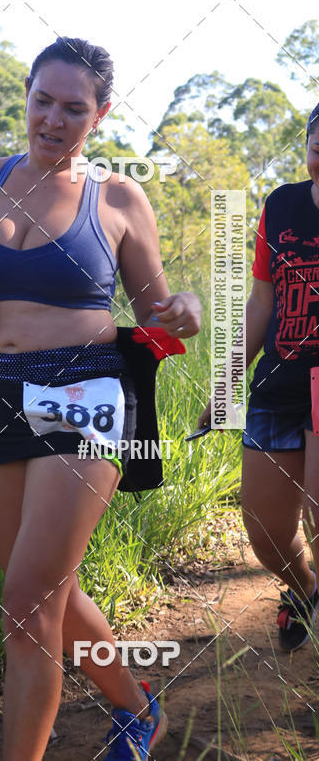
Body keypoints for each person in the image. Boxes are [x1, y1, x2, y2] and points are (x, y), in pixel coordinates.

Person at [0, 36, 201, 760]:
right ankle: (137, 708)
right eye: (41, 100)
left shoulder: (118, 198)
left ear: (100, 114)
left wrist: (185, 312)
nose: (52, 119)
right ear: (27, 96)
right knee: (40, 589)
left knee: (25, 606)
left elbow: (158, 305)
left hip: (86, 390)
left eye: (72, 108)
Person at [198, 102, 319, 652]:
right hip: (277, 382)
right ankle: (302, 589)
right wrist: (225, 386)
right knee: (266, 534)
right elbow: (261, 301)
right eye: (318, 145)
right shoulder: (282, 206)